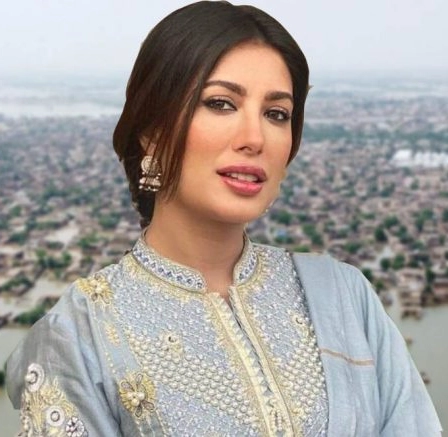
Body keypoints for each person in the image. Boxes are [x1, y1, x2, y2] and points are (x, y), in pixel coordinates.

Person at [6, 1, 442, 436]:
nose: (255, 138)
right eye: (220, 103)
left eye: (277, 114)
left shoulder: (345, 296)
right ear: (152, 131)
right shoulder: (77, 338)